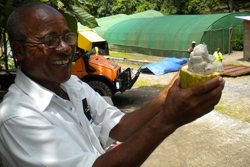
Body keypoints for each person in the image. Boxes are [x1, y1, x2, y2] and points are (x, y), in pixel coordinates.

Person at [0, 3, 224, 167]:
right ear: (19, 51)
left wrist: (167, 94)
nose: (65, 48)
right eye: (49, 40)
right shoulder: (17, 117)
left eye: (67, 37)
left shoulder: (71, 85)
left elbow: (120, 127)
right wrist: (169, 120)